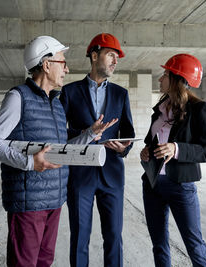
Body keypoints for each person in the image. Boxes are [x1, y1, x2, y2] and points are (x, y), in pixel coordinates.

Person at [0, 35, 117, 267]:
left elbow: (60, 151)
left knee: (45, 262)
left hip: (54, 200)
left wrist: (89, 135)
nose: (67, 68)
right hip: (28, 202)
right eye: (62, 62)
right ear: (46, 65)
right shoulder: (18, 98)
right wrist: (29, 162)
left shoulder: (55, 103)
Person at [59, 33, 135, 267]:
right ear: (94, 56)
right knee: (80, 237)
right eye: (110, 55)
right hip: (80, 176)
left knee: (113, 237)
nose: (115, 61)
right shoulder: (69, 92)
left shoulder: (121, 94)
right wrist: (86, 133)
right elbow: (59, 134)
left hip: (111, 174)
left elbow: (127, 134)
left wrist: (123, 148)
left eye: (117, 57)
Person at [140, 54, 206, 267]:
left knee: (194, 246)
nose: (160, 79)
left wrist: (177, 149)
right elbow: (150, 140)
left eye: (164, 74)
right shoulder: (160, 110)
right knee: (159, 244)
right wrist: (145, 152)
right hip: (153, 184)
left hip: (180, 185)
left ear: (177, 78)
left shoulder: (200, 109)